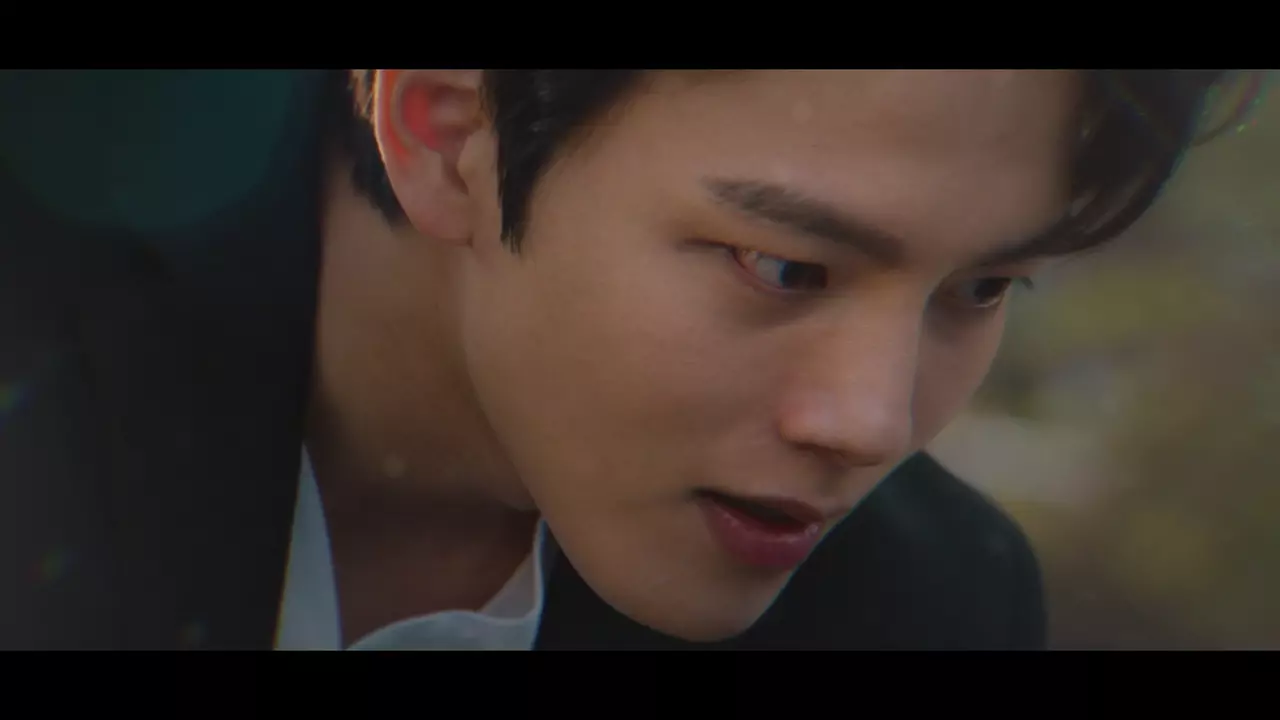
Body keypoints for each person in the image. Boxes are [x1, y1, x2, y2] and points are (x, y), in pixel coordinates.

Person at [0, 69, 1224, 650]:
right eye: (781, 267)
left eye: (981, 288)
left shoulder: (923, 614)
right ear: (446, 130)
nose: (870, 422)